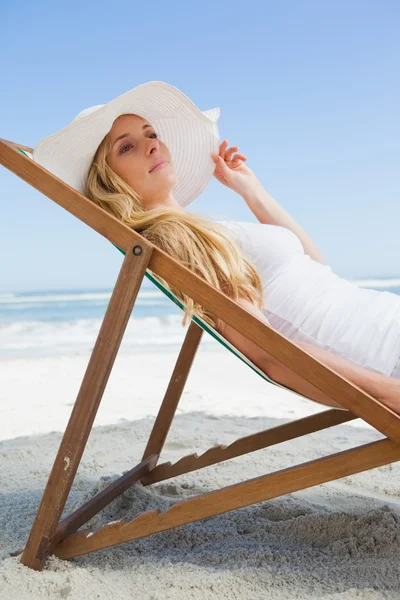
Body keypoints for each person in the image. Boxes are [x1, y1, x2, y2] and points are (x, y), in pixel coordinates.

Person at [33, 81, 400, 414]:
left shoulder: (205, 227)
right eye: (127, 146)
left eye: (151, 134)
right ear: (109, 180)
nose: (151, 144)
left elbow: (319, 271)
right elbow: (268, 351)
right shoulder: (175, 242)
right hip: (382, 354)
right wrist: (387, 392)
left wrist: (252, 193)